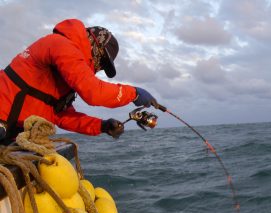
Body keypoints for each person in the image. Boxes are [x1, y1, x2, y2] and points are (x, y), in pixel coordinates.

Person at [0, 18, 158, 143]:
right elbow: (94, 93)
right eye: (102, 60)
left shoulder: (65, 76)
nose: (99, 67)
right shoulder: (60, 44)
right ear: (95, 43)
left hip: (13, 134)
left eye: (103, 66)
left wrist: (101, 125)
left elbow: (61, 116)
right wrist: (134, 93)